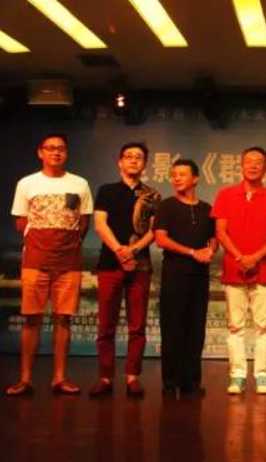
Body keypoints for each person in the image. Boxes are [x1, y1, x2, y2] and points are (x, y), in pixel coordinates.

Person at [6, 133, 93, 396]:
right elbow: (21, 222)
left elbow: (84, 223)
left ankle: (60, 378)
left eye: (61, 148)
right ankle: (25, 378)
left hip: (69, 261)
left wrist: (65, 243)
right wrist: (42, 241)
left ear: (67, 153)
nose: (56, 152)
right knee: (31, 319)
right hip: (35, 260)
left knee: (63, 319)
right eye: (51, 148)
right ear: (40, 152)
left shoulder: (80, 183)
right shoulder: (27, 183)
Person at [90, 142, 161, 397]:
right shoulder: (106, 190)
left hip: (140, 266)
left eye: (138, 157)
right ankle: (105, 377)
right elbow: (100, 224)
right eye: (128, 156)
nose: (133, 160)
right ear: (119, 162)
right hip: (110, 264)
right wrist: (119, 250)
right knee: (106, 326)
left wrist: (133, 250)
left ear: (144, 164)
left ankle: (132, 377)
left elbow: (154, 230)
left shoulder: (152, 195)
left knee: (137, 326)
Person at [211, 147, 266, 395]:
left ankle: (262, 375)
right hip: (234, 268)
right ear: (241, 165)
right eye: (249, 161)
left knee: (264, 326)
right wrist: (240, 257)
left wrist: (256, 257)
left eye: (258, 162)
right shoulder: (226, 194)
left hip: (264, 269)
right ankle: (237, 375)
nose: (253, 165)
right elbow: (220, 231)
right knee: (235, 326)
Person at [154, 159, 217, 396]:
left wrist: (210, 250)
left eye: (182, 174)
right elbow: (161, 239)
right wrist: (192, 252)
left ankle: (192, 382)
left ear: (196, 179)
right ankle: (170, 382)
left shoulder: (207, 208)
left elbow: (214, 239)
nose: (177, 178)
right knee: (172, 328)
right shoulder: (166, 206)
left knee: (196, 329)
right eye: (174, 175)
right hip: (174, 274)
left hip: (200, 276)